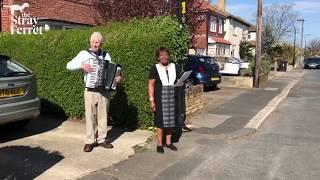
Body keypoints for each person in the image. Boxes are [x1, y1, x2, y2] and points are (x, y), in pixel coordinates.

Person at [66, 32, 121, 152]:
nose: (95, 44)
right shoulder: (84, 54)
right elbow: (68, 65)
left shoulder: (106, 55)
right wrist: (81, 65)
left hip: (104, 91)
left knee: (103, 117)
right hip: (90, 90)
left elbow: (112, 71)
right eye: (93, 42)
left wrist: (116, 78)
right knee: (90, 116)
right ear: (90, 42)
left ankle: (101, 139)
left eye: (97, 42)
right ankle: (90, 141)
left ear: (101, 43)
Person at [148, 47, 181, 154]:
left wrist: (181, 83)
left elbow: (179, 81)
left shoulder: (175, 67)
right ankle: (159, 144)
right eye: (161, 55)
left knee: (171, 121)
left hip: (172, 97)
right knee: (160, 121)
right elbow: (151, 85)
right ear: (158, 57)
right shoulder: (154, 68)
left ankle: (168, 142)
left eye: (166, 54)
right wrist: (151, 100)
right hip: (160, 98)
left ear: (169, 56)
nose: (164, 57)